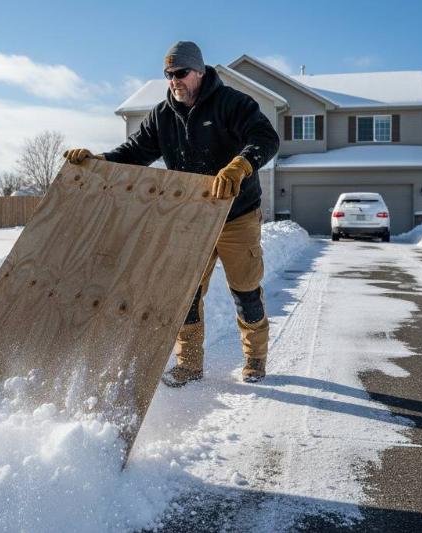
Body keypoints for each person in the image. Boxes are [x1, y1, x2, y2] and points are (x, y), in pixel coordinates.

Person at [64, 41, 279, 386]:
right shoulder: (162, 116)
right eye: (168, 75)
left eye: (180, 73)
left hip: (235, 214)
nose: (174, 80)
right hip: (192, 216)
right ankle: (189, 364)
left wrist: (241, 164)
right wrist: (100, 160)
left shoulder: (233, 104)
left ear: (199, 71)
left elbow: (265, 137)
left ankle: (255, 358)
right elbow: (134, 151)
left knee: (244, 289)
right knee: (186, 293)